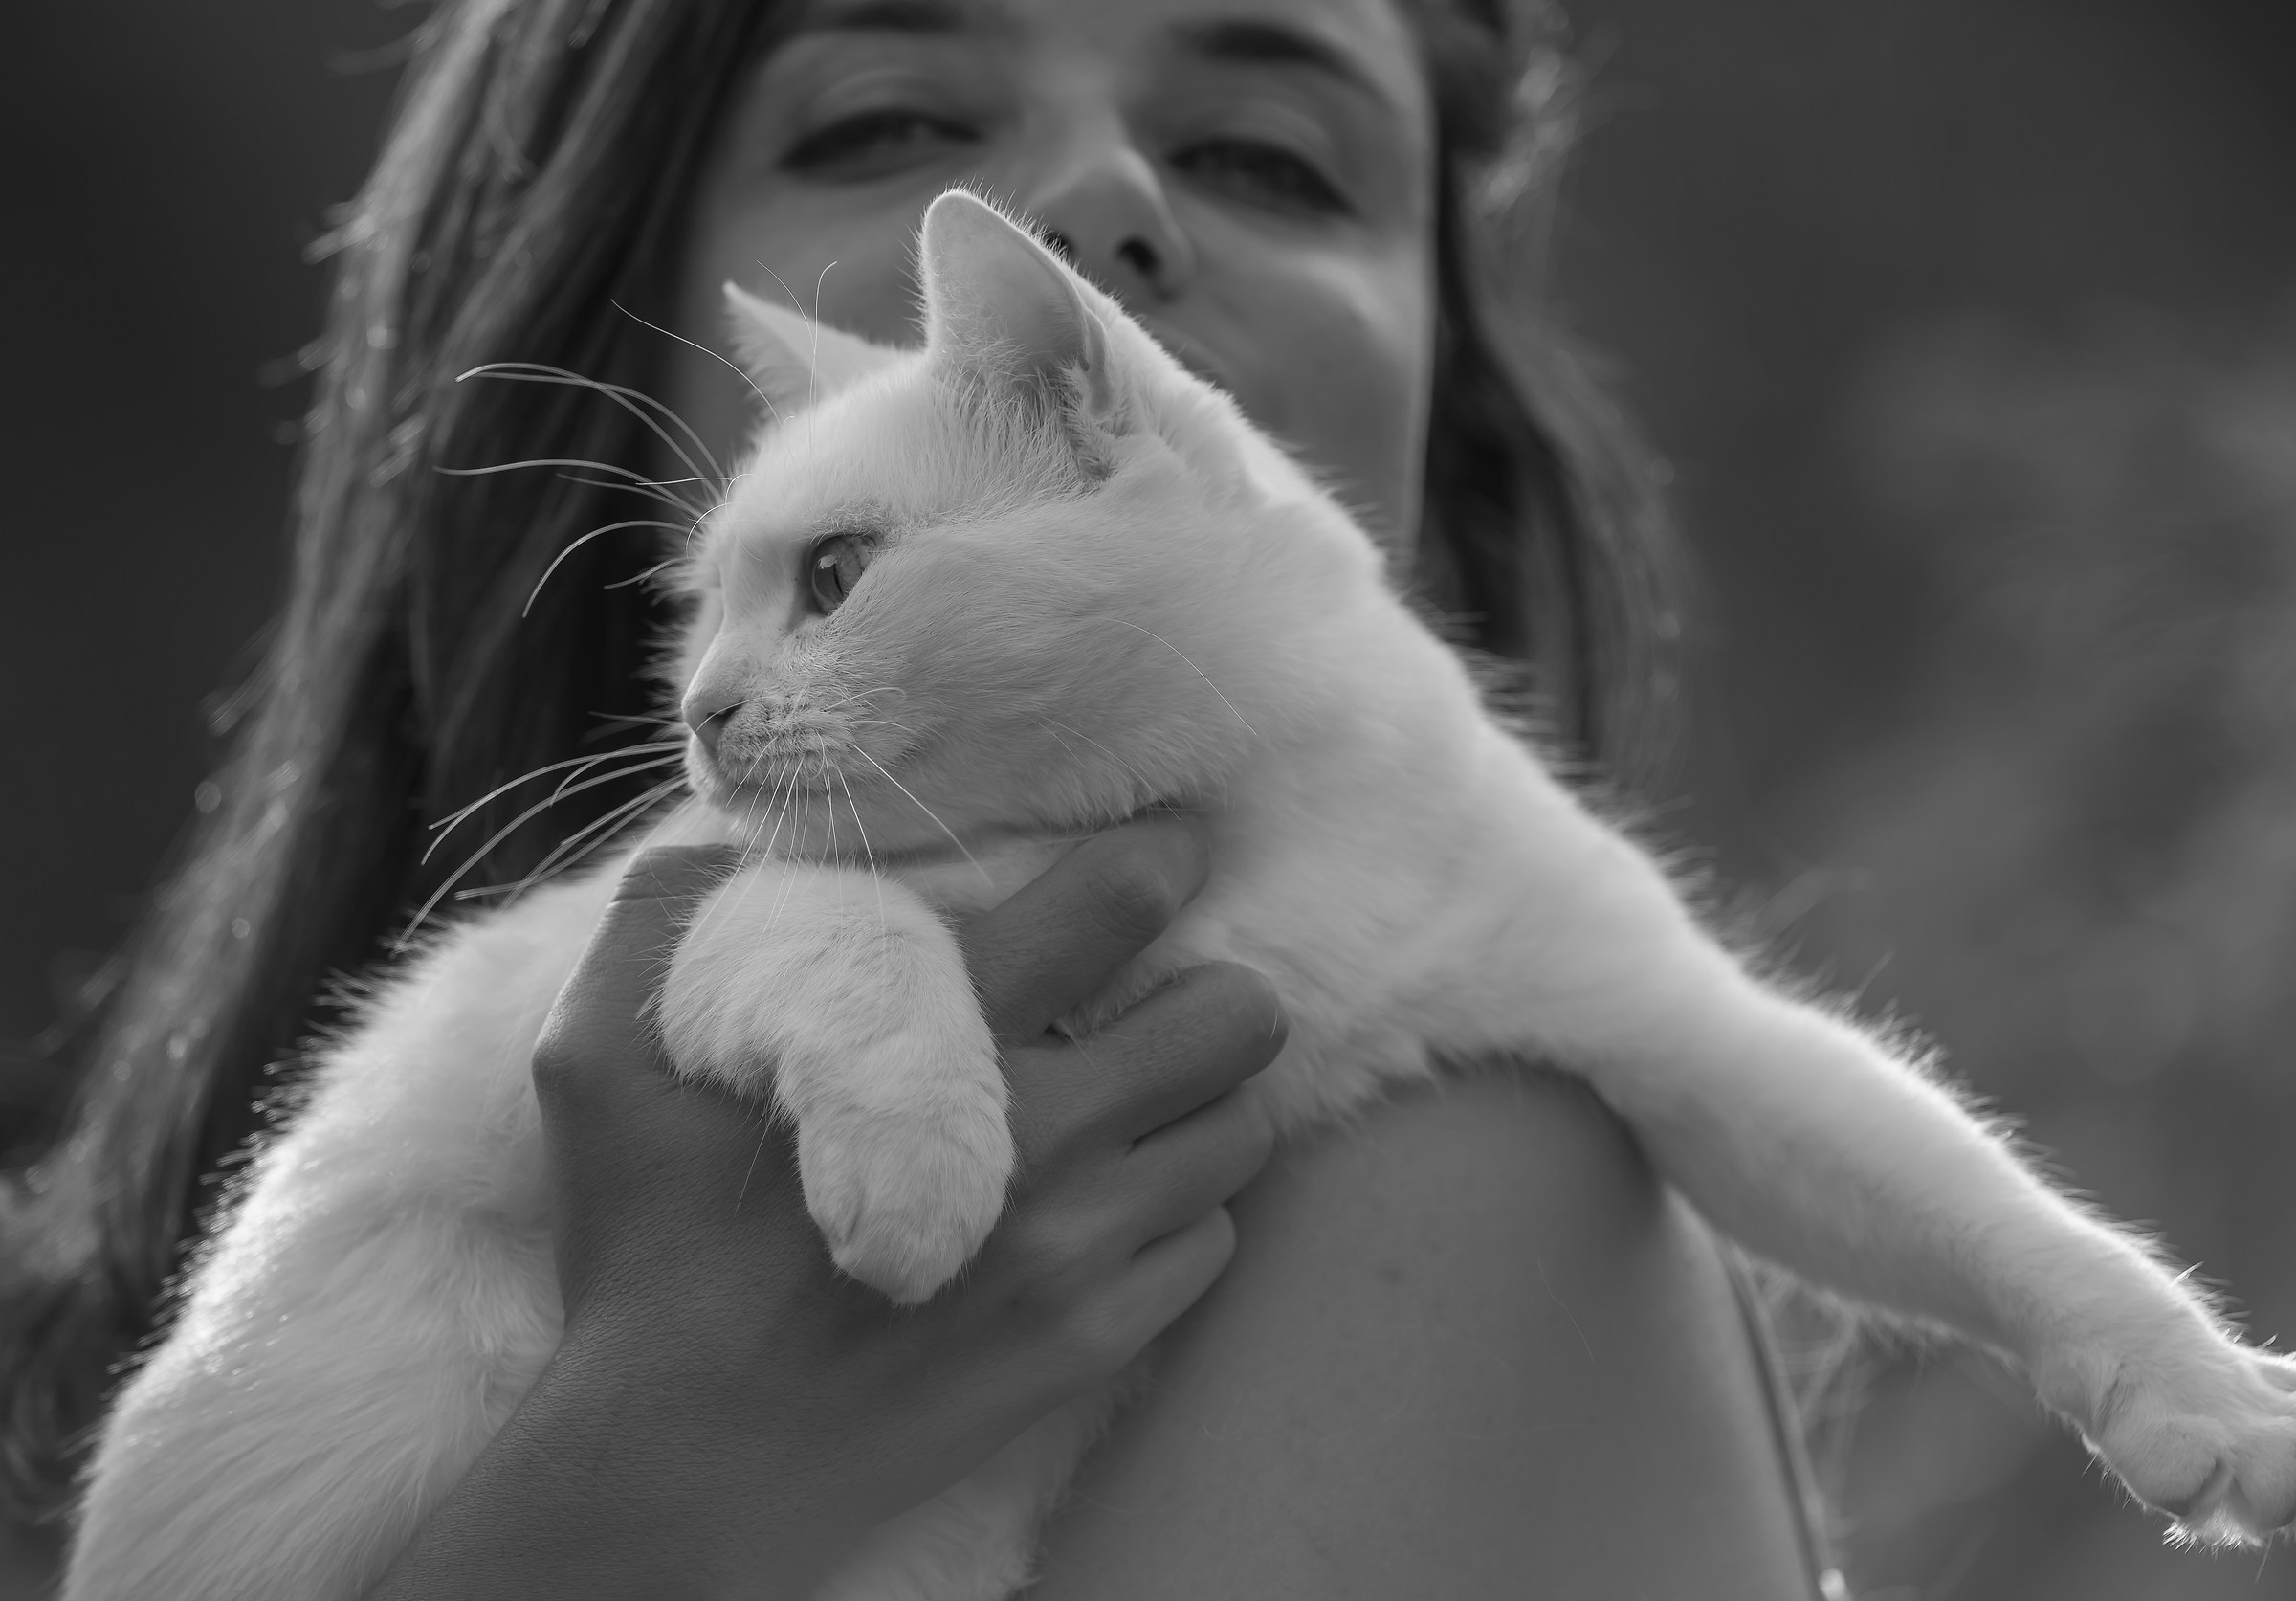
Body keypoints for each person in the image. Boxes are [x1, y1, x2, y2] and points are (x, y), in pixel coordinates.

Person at [2, 0, 1844, 1594]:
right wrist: (653, 1440)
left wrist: (644, 1476)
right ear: (603, 303)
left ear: (1445, 404)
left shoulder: (1469, 1183)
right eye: (890, 119)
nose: (1097, 197)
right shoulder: (294, 1244)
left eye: (1266, 156)